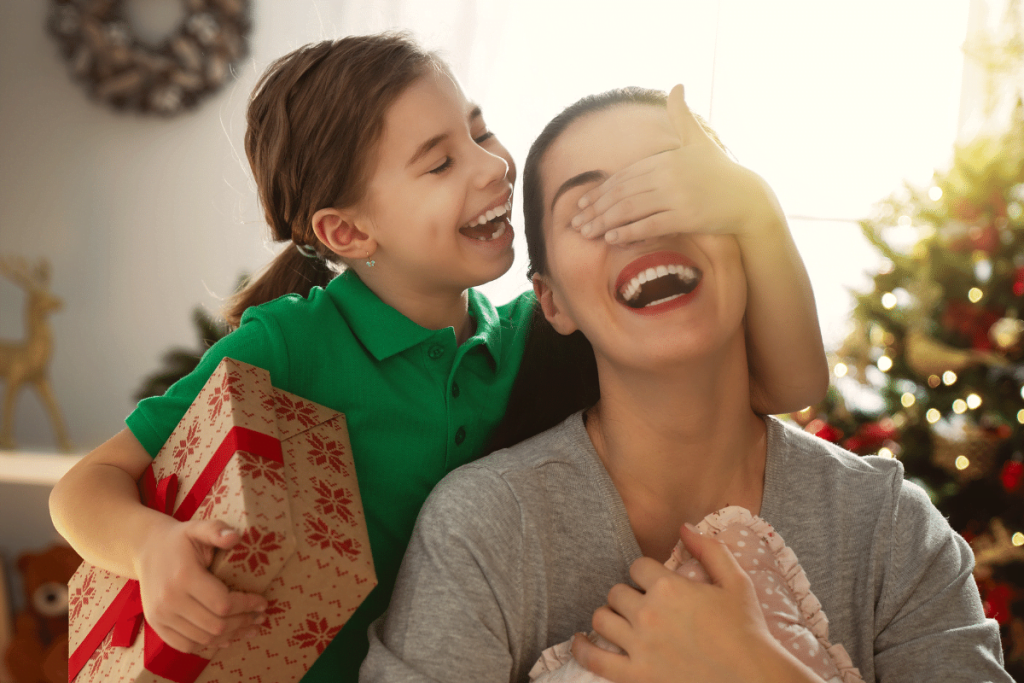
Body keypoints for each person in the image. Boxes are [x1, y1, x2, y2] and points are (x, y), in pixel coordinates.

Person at [49, 34, 827, 683]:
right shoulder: (285, 342)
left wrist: (749, 207)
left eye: (480, 132)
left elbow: (788, 383)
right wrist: (151, 548)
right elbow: (84, 488)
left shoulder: (533, 333)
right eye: (440, 162)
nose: (493, 167)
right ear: (349, 233)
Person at [360, 85, 1011, 683]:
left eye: (681, 189)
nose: (640, 223)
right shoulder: (483, 529)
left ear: (745, 243)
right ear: (551, 300)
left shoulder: (890, 529)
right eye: (589, 206)